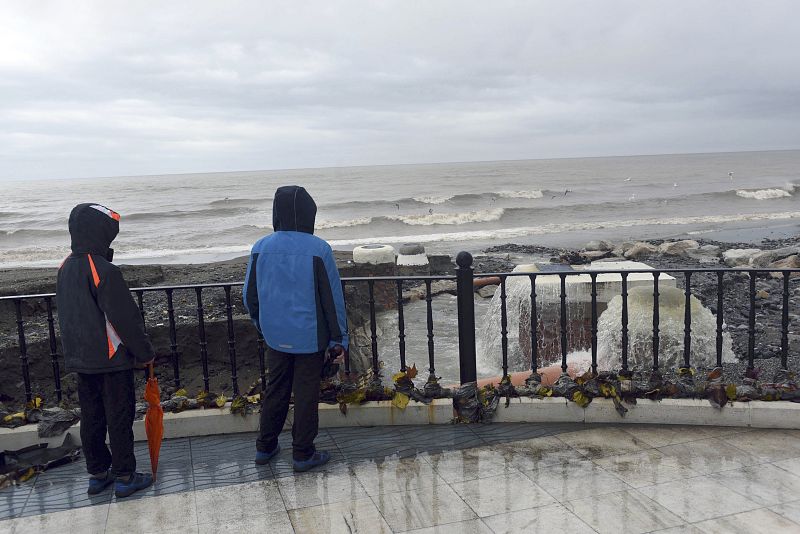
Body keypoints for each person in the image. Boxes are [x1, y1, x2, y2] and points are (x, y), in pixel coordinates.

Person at [244, 185, 348, 472]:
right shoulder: (319, 249)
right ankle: (302, 453)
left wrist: (261, 325)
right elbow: (332, 298)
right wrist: (339, 339)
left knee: (275, 389)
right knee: (305, 393)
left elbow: (249, 296)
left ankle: (265, 447)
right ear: (309, 214)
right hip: (310, 337)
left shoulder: (260, 247)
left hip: (275, 336)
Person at [56, 203, 155, 497]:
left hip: (81, 359)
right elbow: (124, 319)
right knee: (119, 417)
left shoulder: (65, 267)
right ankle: (125, 475)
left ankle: (98, 474)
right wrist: (145, 352)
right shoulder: (104, 270)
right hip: (111, 360)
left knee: (92, 418)